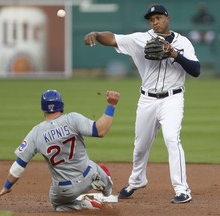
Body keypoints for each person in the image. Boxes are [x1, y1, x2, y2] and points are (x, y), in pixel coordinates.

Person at [84, 4, 200, 204]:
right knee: (140, 146)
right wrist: (95, 33)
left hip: (172, 99)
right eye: (151, 19)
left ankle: (182, 190)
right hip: (147, 99)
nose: (154, 22)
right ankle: (136, 180)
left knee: (172, 139)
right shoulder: (140, 39)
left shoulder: (184, 42)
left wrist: (175, 54)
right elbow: (112, 38)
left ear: (167, 18)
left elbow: (196, 70)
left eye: (158, 18)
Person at [0, 89, 120, 211]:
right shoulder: (72, 119)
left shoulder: (35, 133)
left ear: (42, 108)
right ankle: (107, 190)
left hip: (64, 190)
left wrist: (7, 187)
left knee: (57, 205)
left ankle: (84, 205)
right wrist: (111, 105)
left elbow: (18, 167)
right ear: (61, 105)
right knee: (96, 168)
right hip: (88, 176)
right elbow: (101, 131)